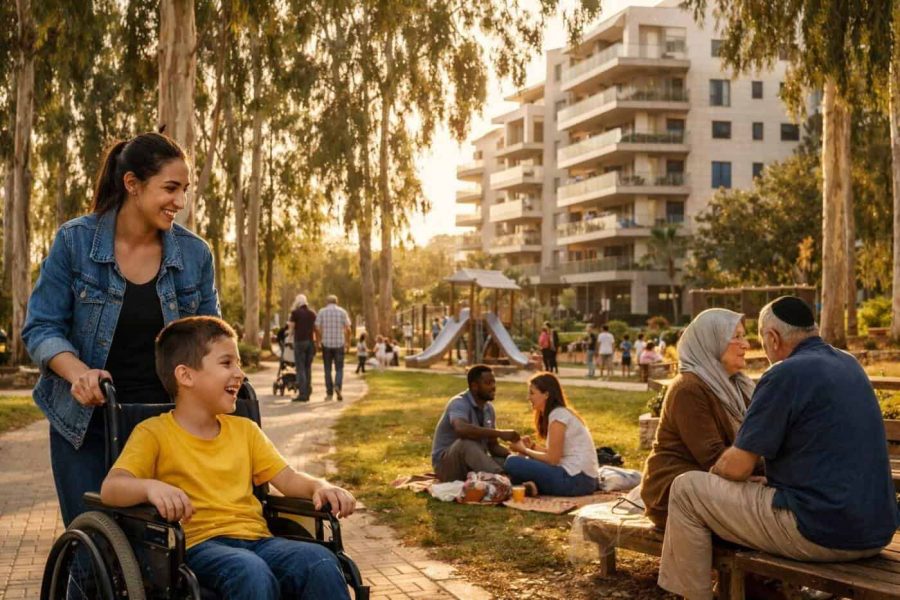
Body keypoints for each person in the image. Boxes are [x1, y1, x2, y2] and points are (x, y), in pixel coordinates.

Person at [22, 132, 219, 527]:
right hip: (87, 426)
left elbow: (210, 339)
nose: (180, 202)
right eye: (170, 188)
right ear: (132, 184)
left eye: (185, 189)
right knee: (93, 547)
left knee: (165, 551)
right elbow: (42, 326)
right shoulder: (75, 242)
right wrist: (79, 374)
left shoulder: (195, 254)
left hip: (167, 425)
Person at [658, 297, 900, 599]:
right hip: (877, 529)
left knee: (686, 489)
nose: (748, 345)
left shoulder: (785, 373)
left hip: (824, 533)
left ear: (772, 338)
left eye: (755, 338)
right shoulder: (848, 363)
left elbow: (736, 467)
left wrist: (725, 471)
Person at [100, 317, 355, 599]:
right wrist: (150, 487)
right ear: (186, 376)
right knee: (250, 571)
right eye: (227, 363)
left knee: (318, 561)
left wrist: (319, 486)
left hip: (258, 540)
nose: (240, 374)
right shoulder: (153, 433)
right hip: (197, 546)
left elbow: (288, 478)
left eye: (239, 363)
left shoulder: (245, 430)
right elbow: (112, 488)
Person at [640, 308, 754, 528]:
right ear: (711, 341)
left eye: (744, 336)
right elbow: (713, 458)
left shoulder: (739, 386)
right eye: (736, 337)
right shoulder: (688, 389)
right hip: (673, 492)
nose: (746, 345)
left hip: (720, 483)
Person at [505, 373, 600, 496]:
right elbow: (556, 453)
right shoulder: (559, 413)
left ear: (546, 394)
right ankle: (528, 487)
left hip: (575, 480)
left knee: (512, 462)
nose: (528, 397)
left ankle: (522, 486)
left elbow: (553, 459)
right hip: (583, 480)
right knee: (523, 463)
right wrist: (532, 447)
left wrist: (524, 450)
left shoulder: (558, 416)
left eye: (532, 393)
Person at [431, 365, 520, 482]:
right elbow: (461, 429)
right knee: (465, 442)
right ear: (474, 386)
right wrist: (500, 433)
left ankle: (517, 480)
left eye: (494, 382)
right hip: (447, 467)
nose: (493, 387)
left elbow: (493, 446)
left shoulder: (488, 409)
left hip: (472, 463)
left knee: (509, 463)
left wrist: (515, 456)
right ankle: (503, 480)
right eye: (488, 383)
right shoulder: (458, 403)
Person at [315, 294, 351, 402]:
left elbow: (316, 327)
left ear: (327, 302)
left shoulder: (322, 311)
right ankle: (338, 387)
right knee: (339, 368)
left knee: (327, 369)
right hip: (339, 344)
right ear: (337, 302)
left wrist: (318, 340)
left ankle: (329, 393)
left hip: (326, 344)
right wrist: (348, 342)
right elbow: (348, 328)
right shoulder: (342, 312)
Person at [287, 293, 317, 402]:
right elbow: (315, 328)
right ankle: (308, 391)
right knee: (308, 368)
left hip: (299, 342)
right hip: (310, 342)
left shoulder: (295, 313)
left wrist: (288, 338)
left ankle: (303, 394)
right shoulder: (312, 313)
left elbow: (291, 328)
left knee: (300, 368)